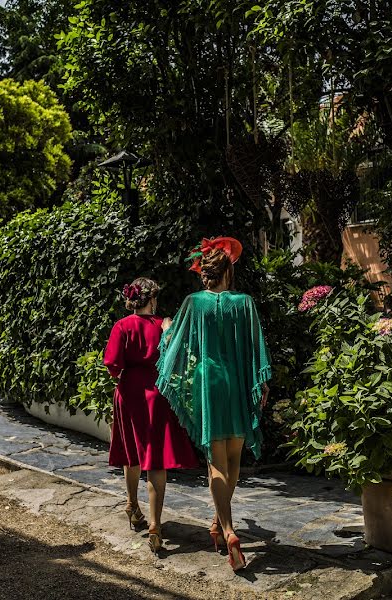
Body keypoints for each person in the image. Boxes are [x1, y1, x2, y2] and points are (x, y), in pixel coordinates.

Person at [156, 238, 271, 571]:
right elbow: (256, 349)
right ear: (228, 272)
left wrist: (165, 329)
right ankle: (220, 525)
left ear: (205, 273)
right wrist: (260, 383)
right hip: (235, 381)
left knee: (216, 462)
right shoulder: (245, 303)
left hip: (208, 382)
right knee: (234, 458)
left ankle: (228, 529)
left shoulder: (193, 303)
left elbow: (174, 341)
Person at [104, 277, 199, 554]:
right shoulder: (163, 326)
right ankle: (155, 526)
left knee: (132, 453)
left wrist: (122, 373)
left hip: (129, 392)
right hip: (158, 394)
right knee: (156, 460)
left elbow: (112, 363)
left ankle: (132, 505)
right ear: (153, 299)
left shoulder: (122, 326)